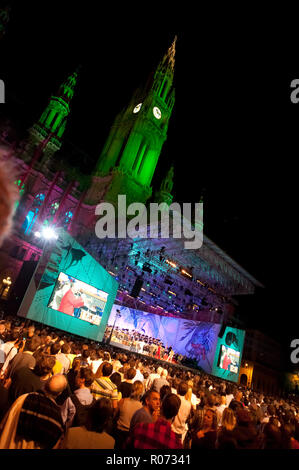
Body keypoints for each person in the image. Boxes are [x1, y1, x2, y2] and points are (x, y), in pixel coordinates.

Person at [0, 374, 67, 449]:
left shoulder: (23, 399)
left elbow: (5, 423)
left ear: (45, 384)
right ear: (59, 393)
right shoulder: (57, 420)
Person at [115, 381, 143, 449]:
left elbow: (115, 415)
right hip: (129, 436)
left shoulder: (123, 401)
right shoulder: (141, 407)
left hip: (118, 432)